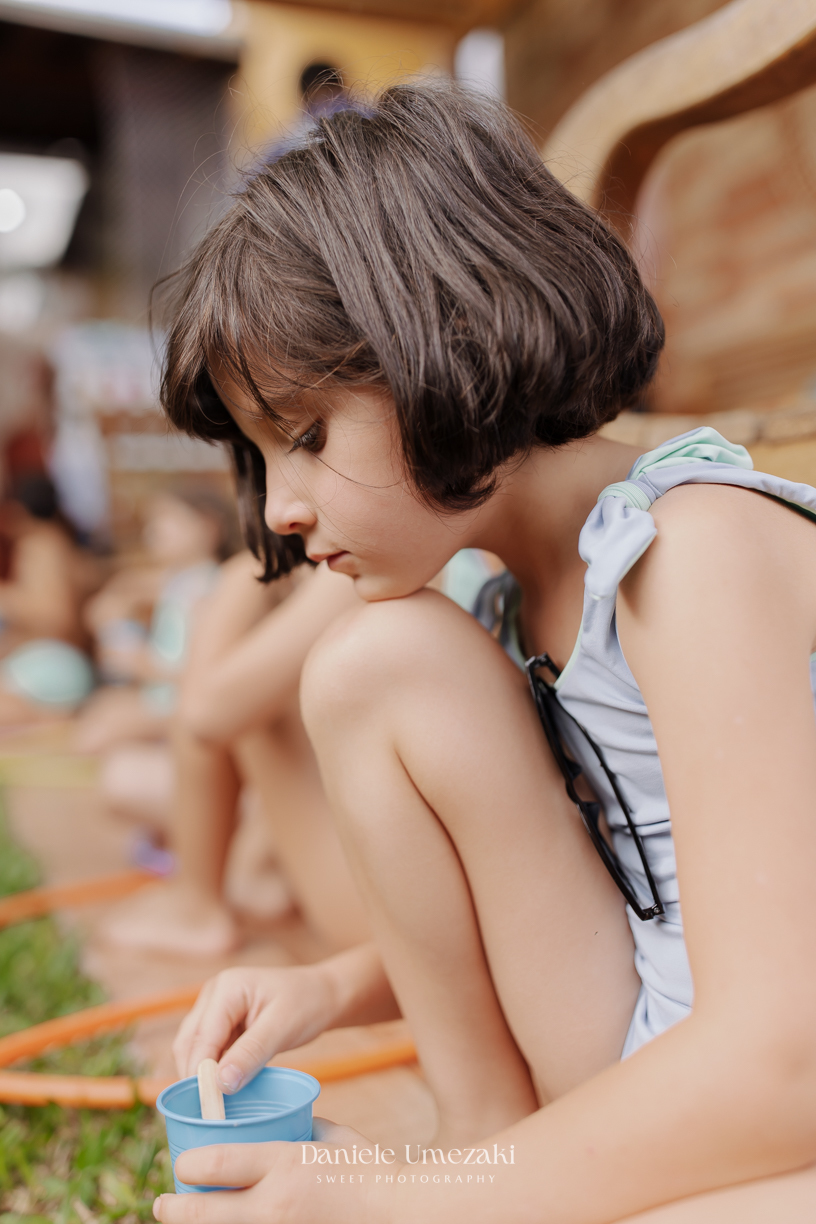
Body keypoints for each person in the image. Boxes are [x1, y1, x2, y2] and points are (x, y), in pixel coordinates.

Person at [153, 82, 816, 1223]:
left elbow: (785, 1060)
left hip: (781, 1079)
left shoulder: (692, 550)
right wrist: (330, 988)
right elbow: (632, 897)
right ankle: (488, 1136)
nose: (287, 507)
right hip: (668, 1060)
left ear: (452, 344)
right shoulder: (502, 602)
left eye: (308, 435)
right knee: (373, 668)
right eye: (266, 461)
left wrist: (414, 1201)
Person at [103, 549, 370, 957]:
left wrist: (240, 578)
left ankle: (197, 906)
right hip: (391, 897)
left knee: (243, 693)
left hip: (384, 926)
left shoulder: (368, 564)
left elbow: (202, 714)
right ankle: (251, 871)